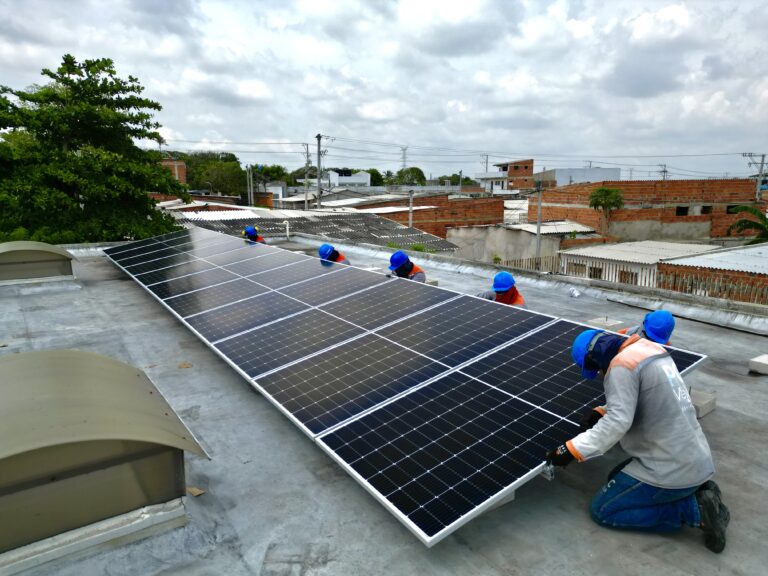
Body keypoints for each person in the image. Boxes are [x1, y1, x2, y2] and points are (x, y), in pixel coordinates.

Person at [545, 328, 730, 553]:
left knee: (603, 511)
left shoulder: (620, 367)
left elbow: (617, 423)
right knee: (614, 477)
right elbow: (649, 398)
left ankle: (695, 510)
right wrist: (601, 412)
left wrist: (571, 449)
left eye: (594, 368)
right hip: (694, 456)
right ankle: (702, 490)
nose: (600, 373)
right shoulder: (649, 349)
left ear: (595, 356)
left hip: (668, 465)